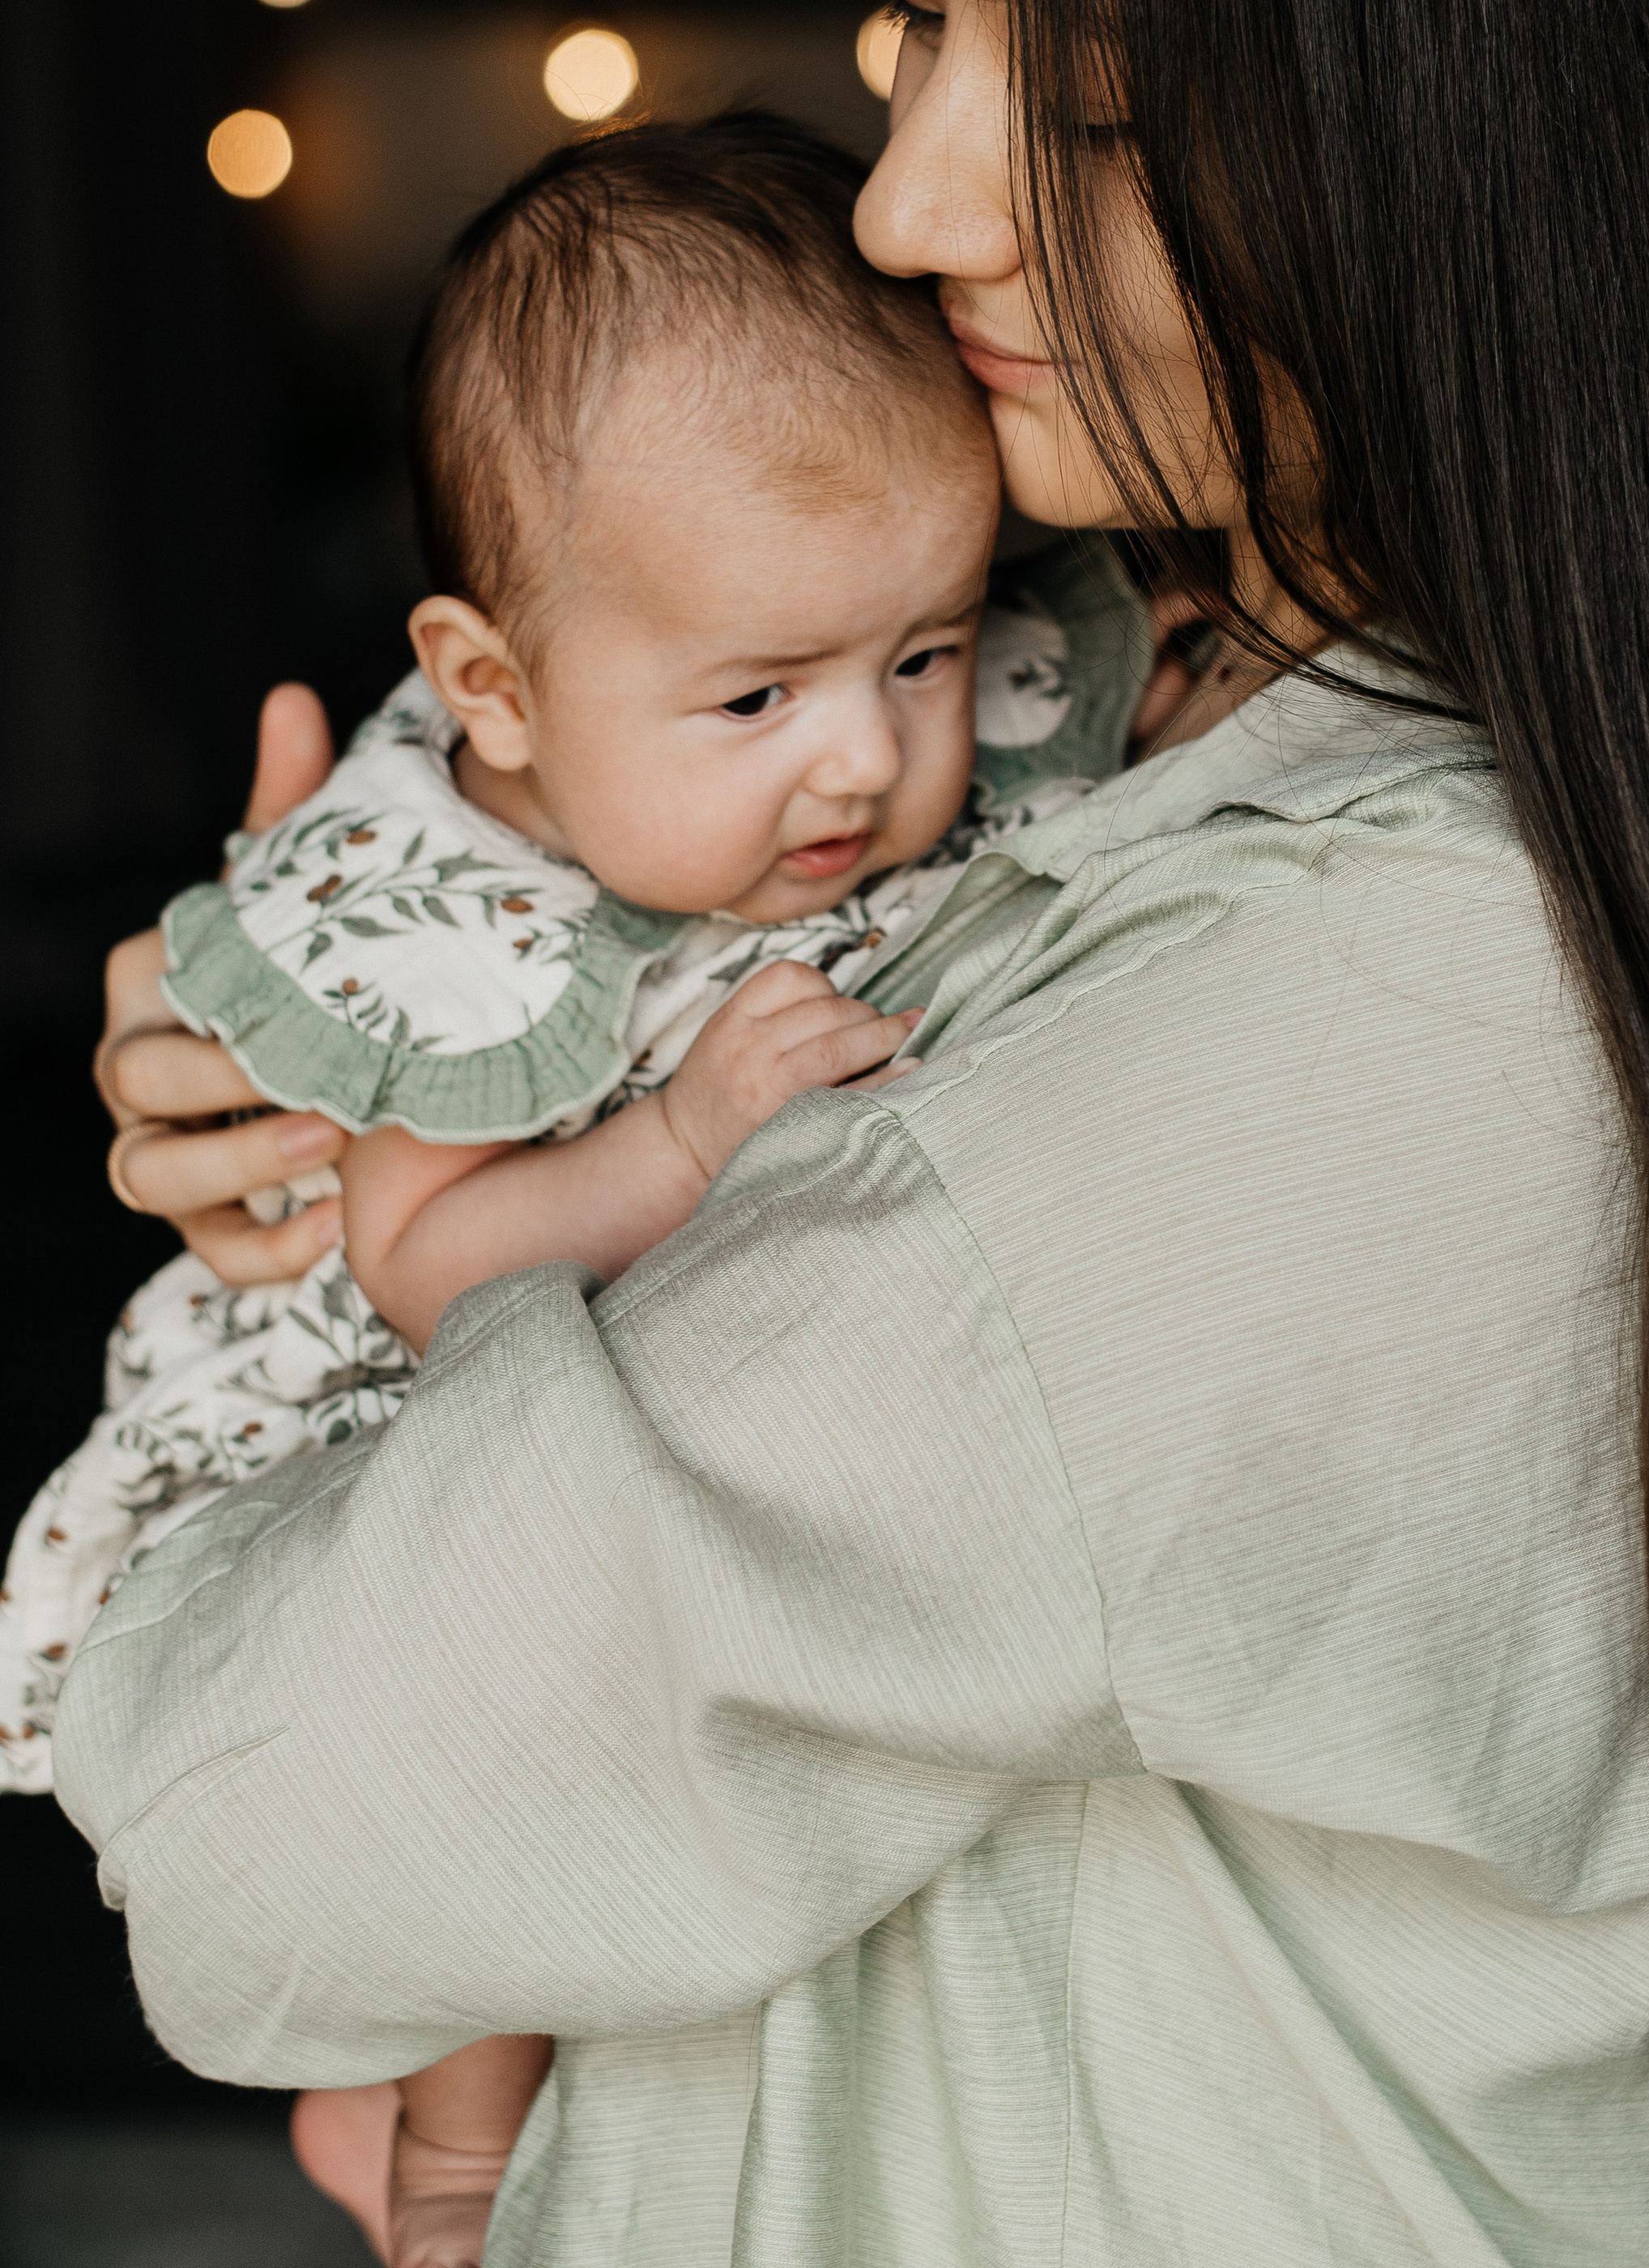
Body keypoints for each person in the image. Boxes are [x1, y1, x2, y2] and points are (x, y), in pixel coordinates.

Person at [58, 0, 1649, 2266]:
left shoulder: (1322, 1071)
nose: (907, 201)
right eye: (926, 16)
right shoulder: (1200, 707)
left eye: (1096, 100)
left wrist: (399, 1269)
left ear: (1471, 141)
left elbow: (257, 1831)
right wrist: (356, 1041)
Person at [6, 111, 1144, 2266]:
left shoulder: (887, 749)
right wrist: (679, 1138)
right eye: (758, 695)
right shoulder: (444, 906)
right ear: (492, 692)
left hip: (729, 1437)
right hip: (418, 1417)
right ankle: (436, 2168)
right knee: (497, 1740)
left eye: (917, 653)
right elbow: (425, 1261)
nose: (862, 758)